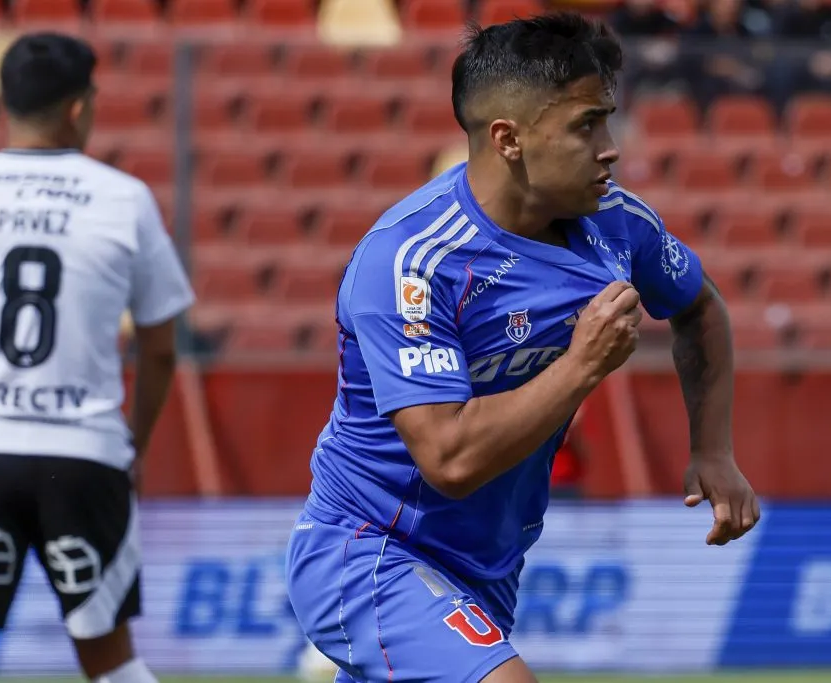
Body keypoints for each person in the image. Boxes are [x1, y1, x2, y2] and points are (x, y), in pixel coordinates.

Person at [285, 13, 759, 683]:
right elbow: (448, 456)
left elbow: (701, 307)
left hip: (486, 566)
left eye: (607, 120)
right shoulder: (413, 263)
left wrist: (713, 450)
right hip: (367, 548)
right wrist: (581, 364)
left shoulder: (615, 225)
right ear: (508, 139)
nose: (610, 147)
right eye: (584, 126)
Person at [0, 32, 194, 683]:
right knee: (110, 657)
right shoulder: (125, 199)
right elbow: (161, 348)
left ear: (4, 101)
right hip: (85, 455)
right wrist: (131, 444)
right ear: (79, 108)